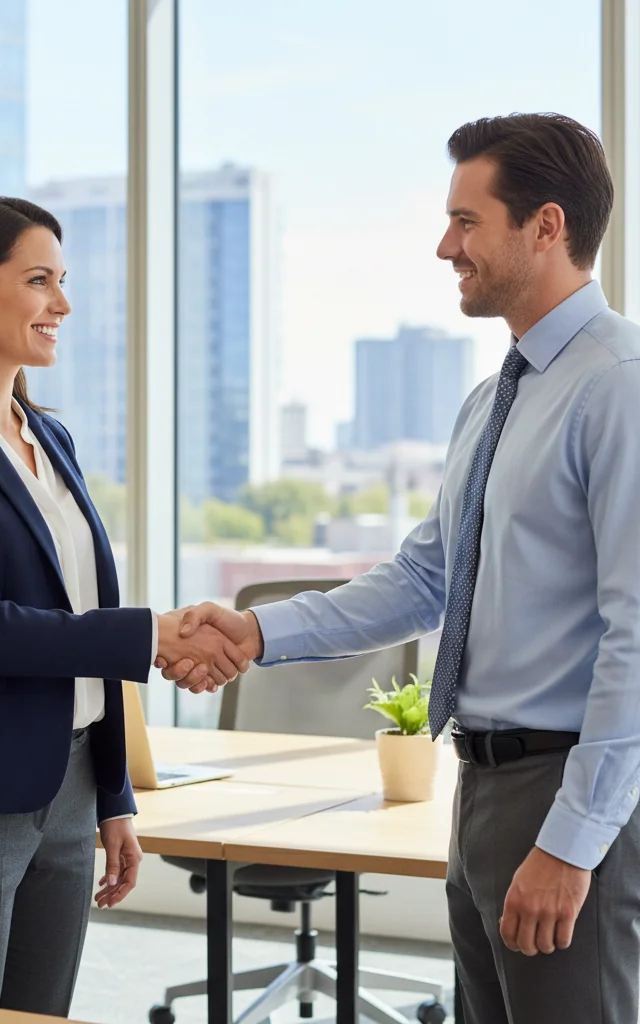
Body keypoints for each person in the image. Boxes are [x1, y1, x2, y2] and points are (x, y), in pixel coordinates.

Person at [162, 114, 640, 1024]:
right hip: (485, 787)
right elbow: (425, 581)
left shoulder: (619, 383)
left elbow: (639, 638)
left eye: (467, 221)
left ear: (546, 225)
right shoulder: (496, 398)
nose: (443, 245)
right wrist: (257, 632)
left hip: (563, 791)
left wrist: (572, 846)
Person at [0, 194, 248, 1015]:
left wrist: (112, 797)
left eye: (62, 281)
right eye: (39, 281)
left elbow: (72, 614)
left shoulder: (51, 438)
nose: (63, 305)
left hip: (69, 788)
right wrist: (153, 634)